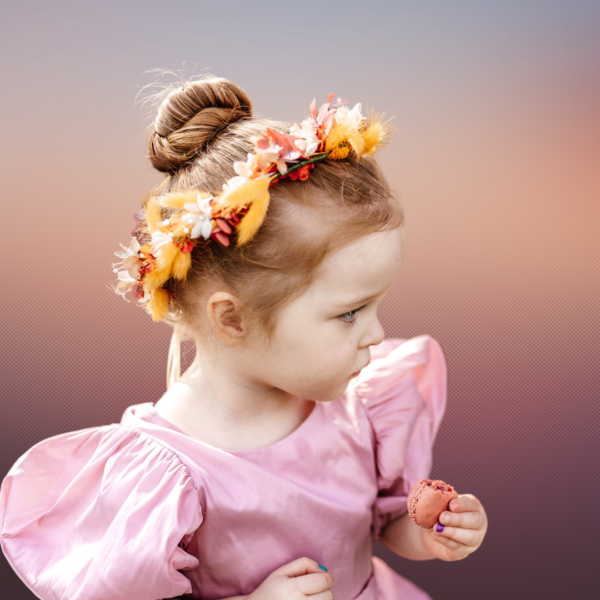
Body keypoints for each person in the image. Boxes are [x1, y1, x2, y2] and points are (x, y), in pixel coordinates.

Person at [0, 76, 488, 600]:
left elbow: (381, 524)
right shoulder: (169, 474)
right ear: (232, 320)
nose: (378, 333)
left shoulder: (356, 409)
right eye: (349, 313)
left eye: (374, 305)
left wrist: (430, 533)